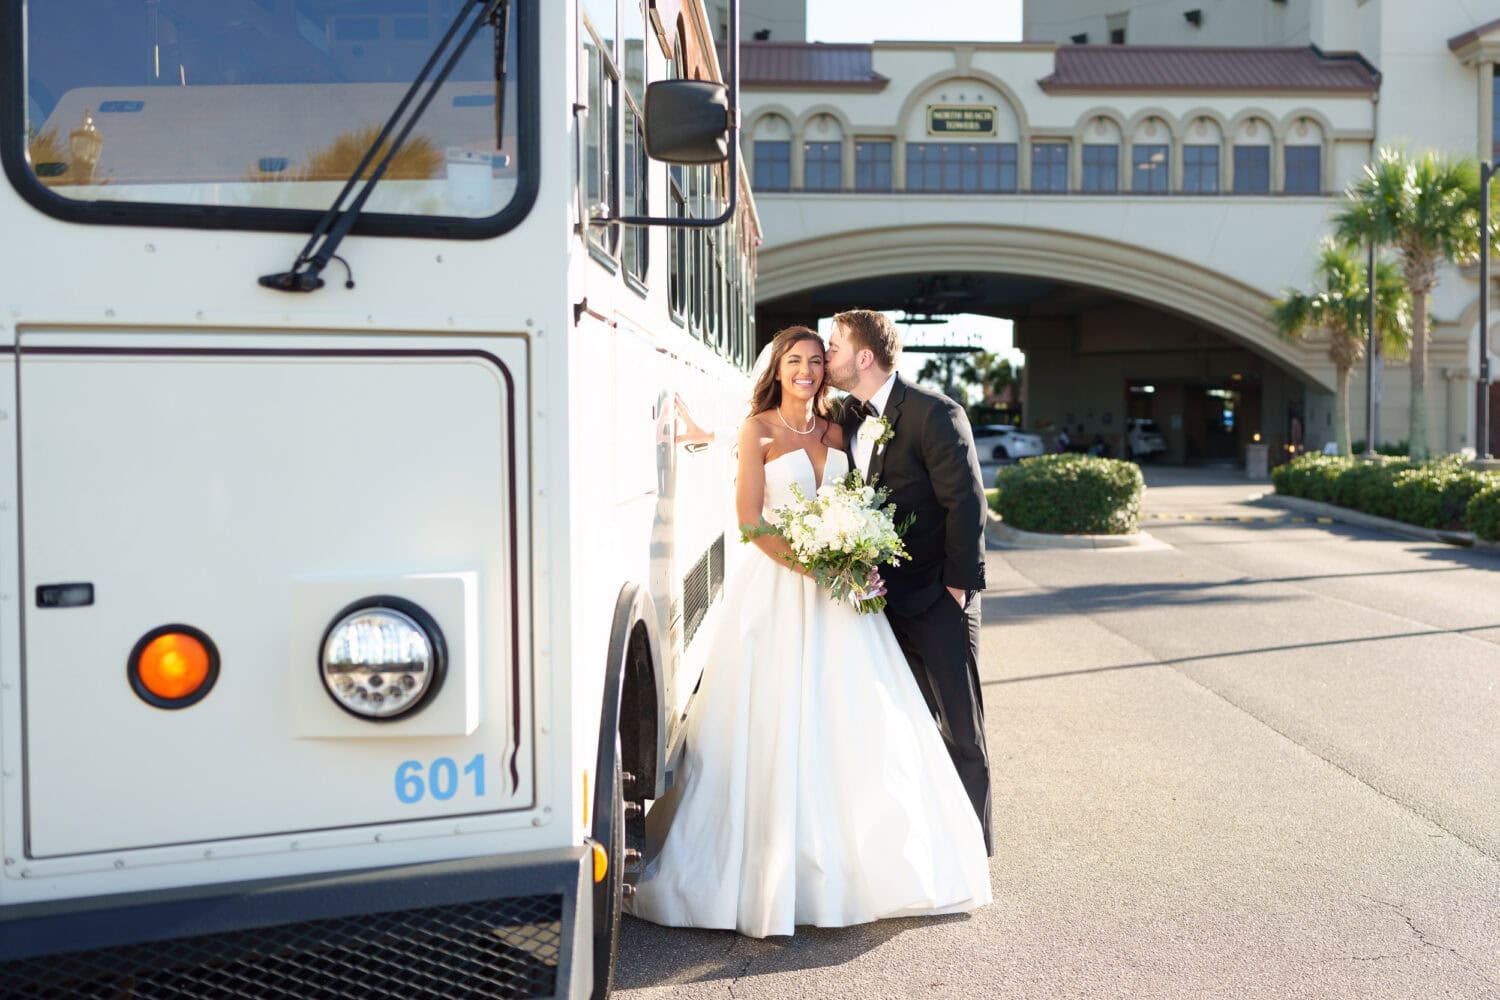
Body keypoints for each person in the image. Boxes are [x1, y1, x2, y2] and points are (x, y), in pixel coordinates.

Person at [625, 326, 991, 939]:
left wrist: (855, 558)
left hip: (846, 599)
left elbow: (875, 497)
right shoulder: (759, 430)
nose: (808, 370)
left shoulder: (840, 426)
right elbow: (749, 521)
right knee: (777, 723)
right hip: (781, 591)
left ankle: (871, 862)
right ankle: (774, 869)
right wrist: (816, 565)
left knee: (859, 723)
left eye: (818, 360)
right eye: (795, 361)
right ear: (777, 368)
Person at [824, 309, 993, 857]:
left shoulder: (934, 413)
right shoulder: (850, 417)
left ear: (864, 357)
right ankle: (927, 846)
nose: (828, 357)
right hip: (882, 606)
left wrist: (959, 591)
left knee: (962, 729)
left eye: (834, 347)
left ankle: (972, 850)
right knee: (908, 727)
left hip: (940, 600)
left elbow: (966, 504)